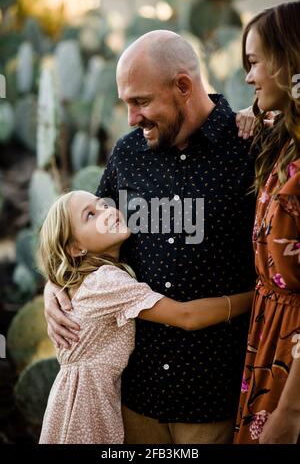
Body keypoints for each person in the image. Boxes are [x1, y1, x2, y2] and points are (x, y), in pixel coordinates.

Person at [44, 30, 257, 444]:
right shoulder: (127, 153)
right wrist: (55, 285)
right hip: (134, 396)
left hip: (212, 394)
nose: (131, 118)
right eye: (126, 103)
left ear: (183, 86)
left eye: (141, 102)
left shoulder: (248, 147)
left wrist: (266, 112)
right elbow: (78, 235)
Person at [38, 190, 252, 444]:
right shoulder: (106, 282)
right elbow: (186, 316)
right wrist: (257, 297)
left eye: (104, 205)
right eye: (91, 215)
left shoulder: (85, 281)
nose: (107, 213)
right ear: (76, 248)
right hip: (88, 406)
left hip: (72, 399)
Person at [234, 1, 300, 444]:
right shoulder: (283, 142)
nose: (248, 77)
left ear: (289, 59)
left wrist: (290, 412)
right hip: (268, 338)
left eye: (254, 62)